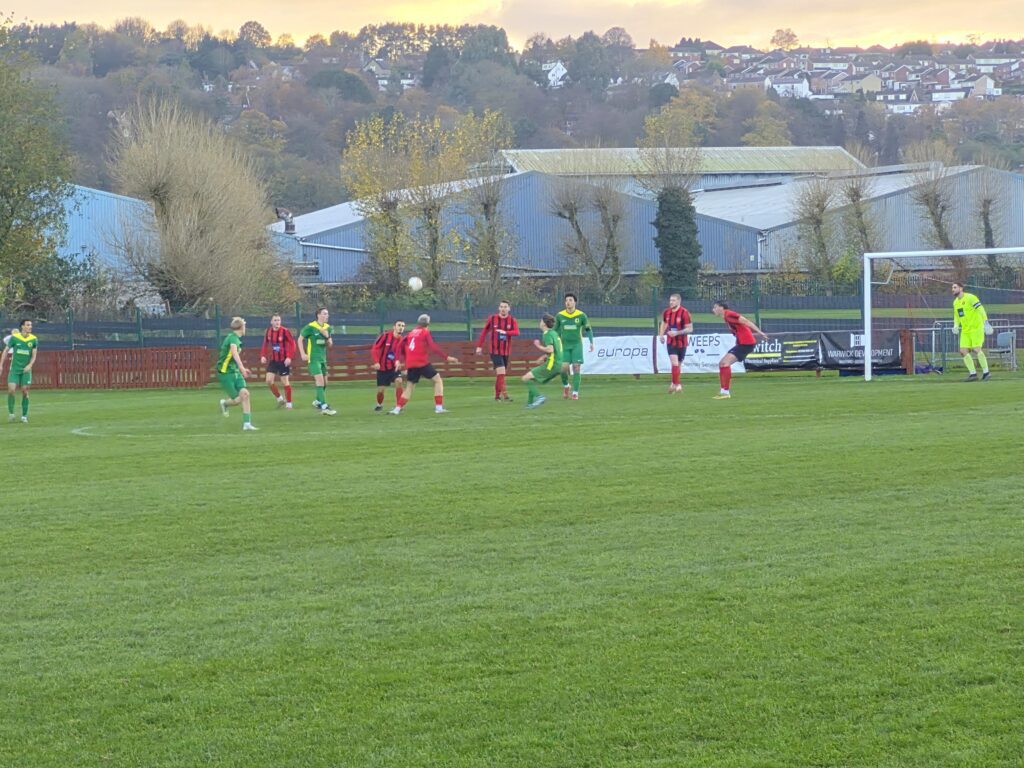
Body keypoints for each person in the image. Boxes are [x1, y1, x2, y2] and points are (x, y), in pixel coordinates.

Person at [390, 313, 459, 415]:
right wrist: (447, 357)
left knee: (409, 387)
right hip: (421, 362)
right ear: (428, 324)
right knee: (438, 380)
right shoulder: (425, 332)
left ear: (418, 323)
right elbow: (433, 347)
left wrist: (397, 360)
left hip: (411, 364)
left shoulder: (411, 332)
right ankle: (439, 408)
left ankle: (397, 409)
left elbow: (399, 345)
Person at [711, 301, 768, 400]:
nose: (713, 310)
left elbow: (746, 321)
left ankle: (725, 392)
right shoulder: (726, 317)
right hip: (743, 343)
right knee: (722, 364)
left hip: (746, 343)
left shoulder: (729, 314)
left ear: (721, 308)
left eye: (715, 307)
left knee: (724, 363)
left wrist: (760, 332)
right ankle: (724, 392)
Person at [217, 317, 258, 431]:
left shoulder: (236, 339)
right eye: (244, 326)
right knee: (236, 400)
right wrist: (242, 368)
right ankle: (225, 404)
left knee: (245, 394)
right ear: (241, 327)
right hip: (225, 372)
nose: (245, 328)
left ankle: (247, 424)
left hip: (234, 371)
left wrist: (240, 369)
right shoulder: (233, 338)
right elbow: (234, 353)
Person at [475, 300, 519, 401]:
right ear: (499, 308)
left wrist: (505, 332)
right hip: (495, 351)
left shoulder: (512, 320)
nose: (503, 309)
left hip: (506, 351)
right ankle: (505, 395)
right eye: (501, 307)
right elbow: (484, 332)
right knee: (501, 372)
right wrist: (479, 346)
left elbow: (517, 332)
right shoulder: (492, 319)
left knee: (501, 374)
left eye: (505, 307)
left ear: (509, 309)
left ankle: (497, 396)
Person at [554, 293, 594, 400]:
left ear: (575, 302)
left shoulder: (581, 315)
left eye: (570, 300)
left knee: (576, 367)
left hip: (577, 345)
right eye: (566, 300)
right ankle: (566, 386)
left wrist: (591, 342)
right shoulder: (560, 315)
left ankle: (575, 392)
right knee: (563, 369)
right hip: (564, 345)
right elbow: (555, 330)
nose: (568, 302)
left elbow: (588, 329)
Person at [951, 282, 993, 381]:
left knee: (976, 349)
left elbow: (981, 309)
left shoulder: (971, 297)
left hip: (976, 328)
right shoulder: (955, 302)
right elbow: (957, 316)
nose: (952, 289)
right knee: (963, 351)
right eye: (952, 288)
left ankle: (986, 372)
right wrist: (956, 325)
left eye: (955, 287)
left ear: (961, 288)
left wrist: (986, 322)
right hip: (965, 331)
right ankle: (973, 374)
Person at [522, 314, 565, 409]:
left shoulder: (547, 334)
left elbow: (550, 349)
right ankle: (529, 404)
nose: (540, 322)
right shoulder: (553, 333)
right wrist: (544, 357)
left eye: (541, 321)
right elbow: (556, 350)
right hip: (558, 365)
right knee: (531, 379)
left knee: (525, 378)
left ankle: (539, 397)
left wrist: (538, 346)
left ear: (544, 323)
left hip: (551, 365)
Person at [299, 307, 337, 416]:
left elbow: (330, 345)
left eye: (327, 314)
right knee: (320, 381)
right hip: (313, 359)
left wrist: (327, 336)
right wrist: (303, 354)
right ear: (318, 315)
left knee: (325, 383)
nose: (327, 315)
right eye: (324, 313)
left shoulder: (327, 327)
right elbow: (300, 339)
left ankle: (317, 401)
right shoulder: (311, 327)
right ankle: (324, 407)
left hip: (322, 359)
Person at [260, 314, 297, 409]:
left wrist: (289, 357)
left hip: (283, 360)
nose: (277, 322)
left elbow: (293, 344)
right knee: (268, 380)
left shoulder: (285, 331)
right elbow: (265, 344)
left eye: (279, 320)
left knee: (285, 381)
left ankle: (289, 404)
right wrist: (263, 355)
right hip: (273, 360)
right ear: (271, 322)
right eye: (275, 320)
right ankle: (280, 399)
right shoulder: (268, 331)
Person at [659, 293, 694, 393]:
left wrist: (677, 333)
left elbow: (690, 329)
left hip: (682, 342)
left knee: (678, 364)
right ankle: (676, 384)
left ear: (679, 301)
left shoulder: (684, 313)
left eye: (673, 300)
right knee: (674, 363)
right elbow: (664, 323)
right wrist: (661, 334)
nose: (671, 302)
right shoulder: (666, 312)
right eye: (670, 300)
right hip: (671, 341)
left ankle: (675, 383)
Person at [6, 319, 38, 423]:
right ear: (22, 327)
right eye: (28, 325)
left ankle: (24, 416)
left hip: (26, 370)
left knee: (25, 391)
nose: (30, 327)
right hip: (14, 369)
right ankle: (11, 413)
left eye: (31, 325)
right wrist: (1, 365)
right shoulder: (15, 338)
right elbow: (6, 350)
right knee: (11, 390)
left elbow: (34, 355)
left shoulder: (34, 339)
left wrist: (30, 365)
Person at [371, 320, 406, 411]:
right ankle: (379, 404)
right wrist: (376, 362)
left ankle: (399, 406)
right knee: (381, 390)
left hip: (394, 368)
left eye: (403, 326)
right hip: (382, 368)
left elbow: (405, 354)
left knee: (399, 381)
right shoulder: (385, 336)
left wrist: (403, 365)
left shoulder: (402, 340)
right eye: (399, 325)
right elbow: (375, 348)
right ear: (394, 327)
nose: (401, 327)